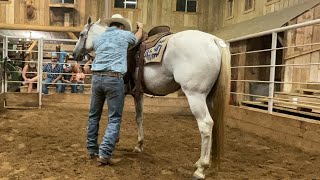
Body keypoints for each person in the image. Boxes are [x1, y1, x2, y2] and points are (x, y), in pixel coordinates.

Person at [86, 14, 143, 165]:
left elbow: (89, 47)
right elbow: (136, 38)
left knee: (93, 115)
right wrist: (141, 28)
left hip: (97, 78)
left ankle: (92, 149)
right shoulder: (125, 35)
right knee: (114, 118)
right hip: (114, 78)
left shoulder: (99, 38)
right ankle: (104, 153)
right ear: (122, 26)